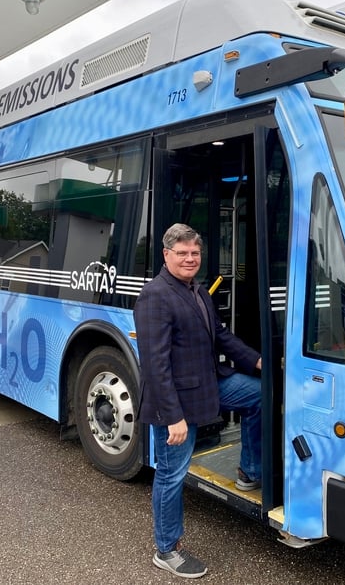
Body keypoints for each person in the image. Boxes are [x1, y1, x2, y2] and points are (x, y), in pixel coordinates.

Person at [134, 223, 262, 579]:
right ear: (166, 255)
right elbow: (155, 365)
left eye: (195, 253)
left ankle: (249, 471)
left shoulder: (197, 291)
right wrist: (173, 417)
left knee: (259, 396)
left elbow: (221, 337)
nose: (190, 259)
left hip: (208, 383)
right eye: (183, 253)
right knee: (172, 475)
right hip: (176, 401)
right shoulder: (154, 296)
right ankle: (167, 549)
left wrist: (257, 361)